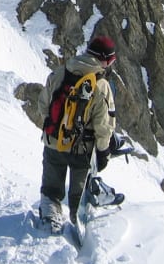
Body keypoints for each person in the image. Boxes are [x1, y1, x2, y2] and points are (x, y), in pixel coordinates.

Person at [37, 35, 118, 230]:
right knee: (79, 195)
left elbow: (43, 105)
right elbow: (104, 125)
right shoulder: (101, 85)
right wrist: (103, 152)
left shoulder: (60, 72)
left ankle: (50, 215)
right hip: (81, 149)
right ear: (104, 59)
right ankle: (79, 221)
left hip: (53, 143)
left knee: (51, 189)